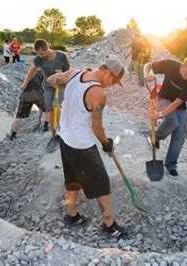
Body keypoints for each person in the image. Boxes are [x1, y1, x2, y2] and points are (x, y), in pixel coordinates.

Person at [46, 58, 128, 238]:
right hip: (82, 146)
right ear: (107, 72)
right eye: (113, 81)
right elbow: (96, 128)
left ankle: (72, 215)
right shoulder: (98, 94)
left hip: (65, 139)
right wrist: (106, 143)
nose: (112, 85)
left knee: (73, 179)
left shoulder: (75, 74)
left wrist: (61, 83)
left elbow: (51, 80)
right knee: (101, 183)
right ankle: (109, 224)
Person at [144, 55, 187, 177]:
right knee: (172, 120)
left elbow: (178, 102)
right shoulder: (170, 64)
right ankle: (155, 137)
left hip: (178, 104)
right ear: (182, 65)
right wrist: (146, 74)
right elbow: (148, 65)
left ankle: (171, 164)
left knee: (180, 132)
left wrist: (159, 114)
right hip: (163, 98)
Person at [19, 39, 70, 134]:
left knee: (57, 106)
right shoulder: (39, 59)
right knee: (49, 109)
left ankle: (60, 128)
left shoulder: (61, 56)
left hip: (60, 86)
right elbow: (32, 70)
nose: (40, 56)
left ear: (47, 49)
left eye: (42, 53)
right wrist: (25, 83)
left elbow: (68, 71)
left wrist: (62, 74)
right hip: (48, 87)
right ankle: (53, 132)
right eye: (38, 54)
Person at [9, 70, 46, 140]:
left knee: (19, 116)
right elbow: (45, 86)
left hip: (25, 94)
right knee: (48, 109)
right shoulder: (43, 72)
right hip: (36, 92)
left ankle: (13, 135)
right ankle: (46, 127)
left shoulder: (30, 72)